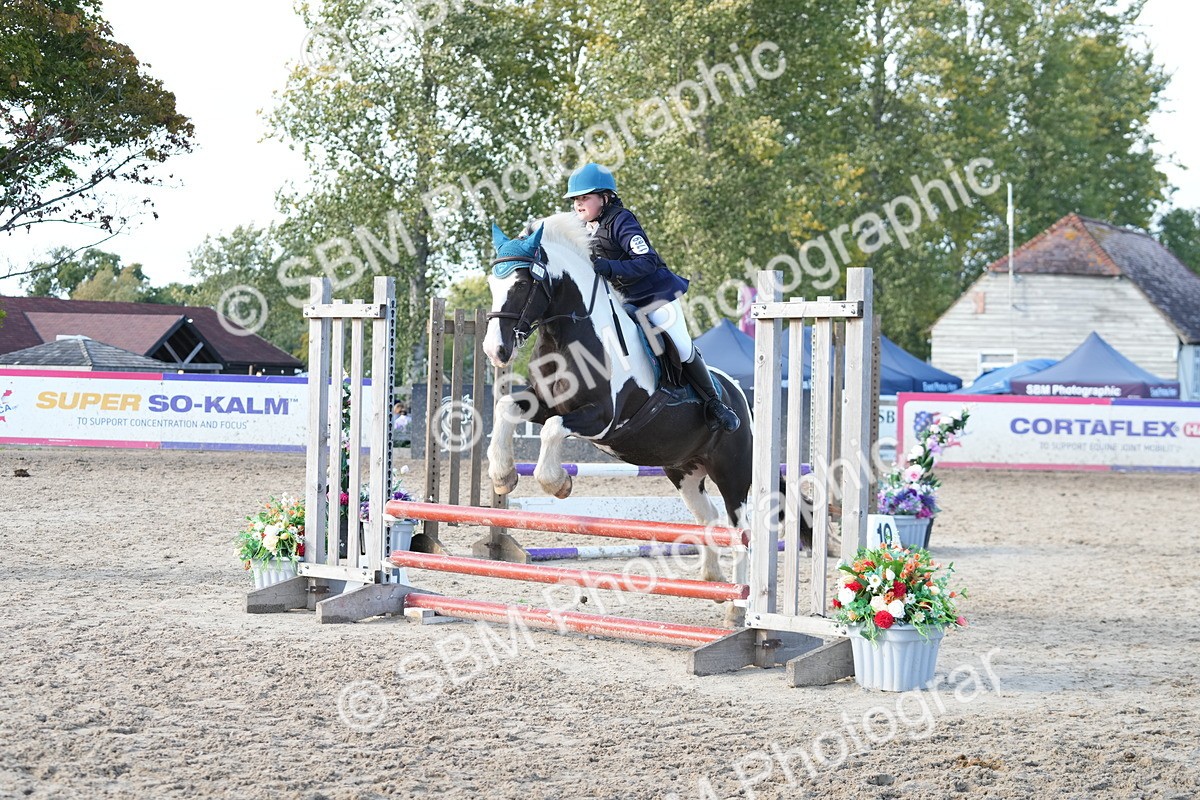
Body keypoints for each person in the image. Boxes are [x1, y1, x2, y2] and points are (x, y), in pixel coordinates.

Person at [564, 162, 740, 432]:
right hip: (624, 301)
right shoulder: (582, 227)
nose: (578, 204)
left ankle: (715, 404)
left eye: (585, 197)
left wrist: (611, 268)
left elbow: (645, 262)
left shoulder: (622, 220)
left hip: (654, 295)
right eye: (576, 199)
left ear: (605, 197)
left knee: (681, 347)